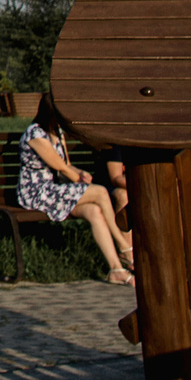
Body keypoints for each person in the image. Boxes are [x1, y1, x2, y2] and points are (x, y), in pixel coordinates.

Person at [17, 94, 132, 284]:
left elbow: (67, 164)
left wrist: (82, 173)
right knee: (101, 192)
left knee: (94, 211)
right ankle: (123, 246)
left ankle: (116, 269)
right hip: (36, 192)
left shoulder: (57, 133)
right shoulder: (35, 134)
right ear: (51, 114)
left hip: (55, 189)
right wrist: (83, 182)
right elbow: (60, 167)